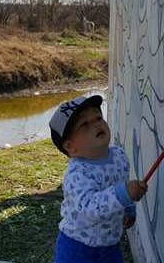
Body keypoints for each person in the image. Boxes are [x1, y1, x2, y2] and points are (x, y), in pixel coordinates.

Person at [49, 94, 147, 263]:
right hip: (77, 247)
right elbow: (90, 208)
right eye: (84, 124)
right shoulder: (76, 174)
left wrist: (129, 208)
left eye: (98, 117)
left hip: (110, 244)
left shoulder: (119, 156)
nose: (96, 124)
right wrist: (124, 193)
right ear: (70, 147)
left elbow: (122, 180)